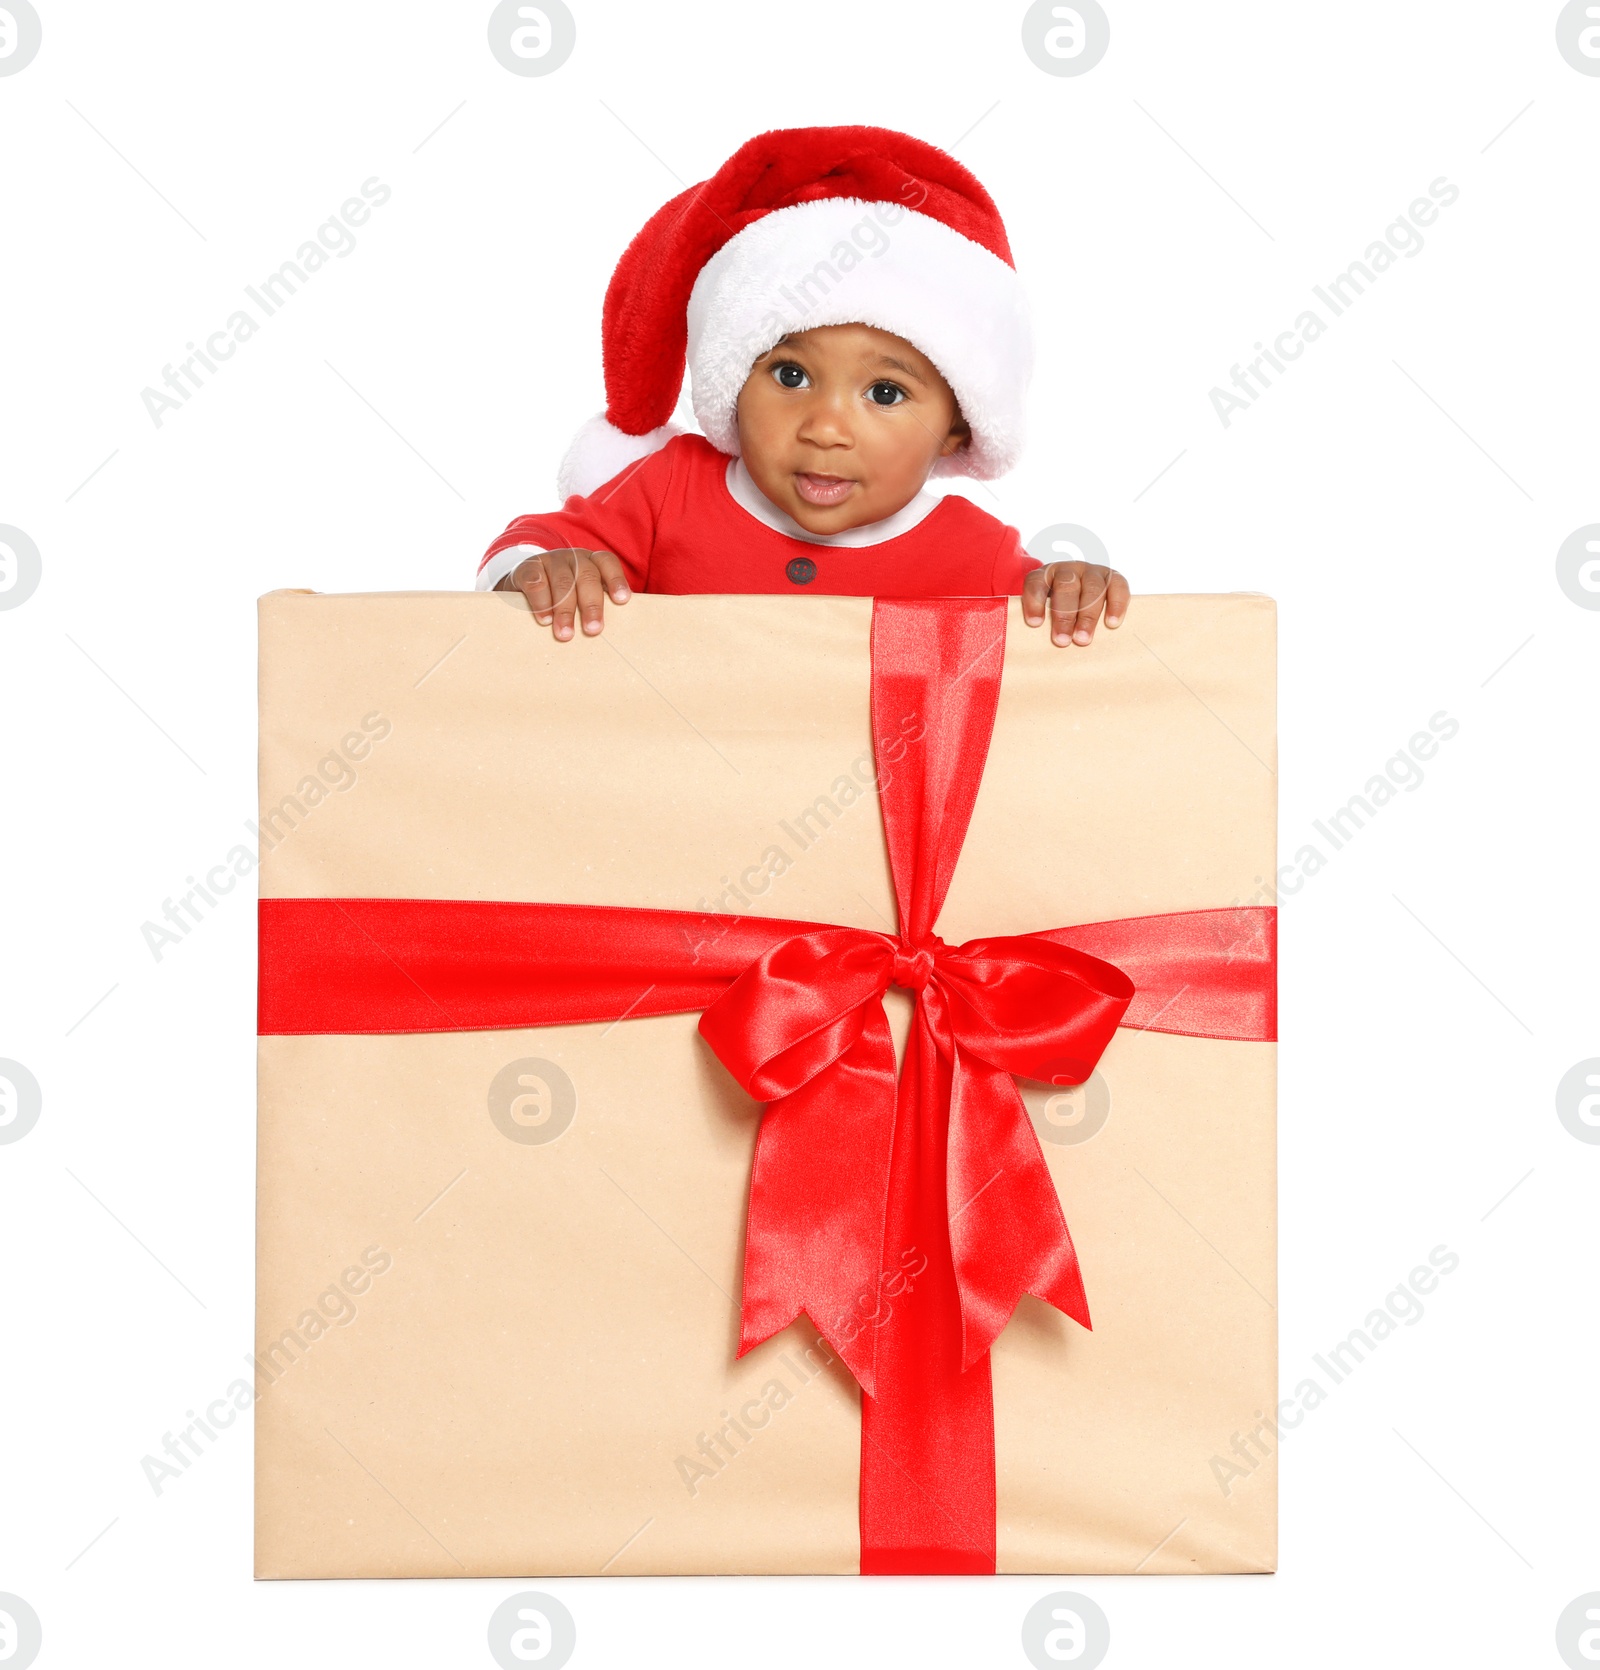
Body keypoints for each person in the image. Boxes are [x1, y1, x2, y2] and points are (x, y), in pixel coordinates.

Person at [475, 124, 1128, 649]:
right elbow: (526, 544)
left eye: (885, 394)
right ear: (734, 380)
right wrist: (539, 570)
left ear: (959, 425)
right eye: (791, 376)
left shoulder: (975, 555)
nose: (825, 428)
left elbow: (1049, 662)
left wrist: (1071, 589)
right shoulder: (670, 491)